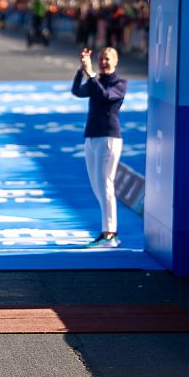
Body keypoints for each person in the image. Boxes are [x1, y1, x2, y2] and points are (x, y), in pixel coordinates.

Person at [71, 47, 127, 248]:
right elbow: (78, 91)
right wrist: (81, 70)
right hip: (92, 137)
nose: (103, 62)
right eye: (101, 58)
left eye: (107, 59)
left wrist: (92, 74)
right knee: (97, 186)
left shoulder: (120, 83)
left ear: (116, 61)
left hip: (108, 138)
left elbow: (105, 97)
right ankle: (108, 231)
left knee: (106, 185)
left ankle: (110, 233)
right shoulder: (97, 81)